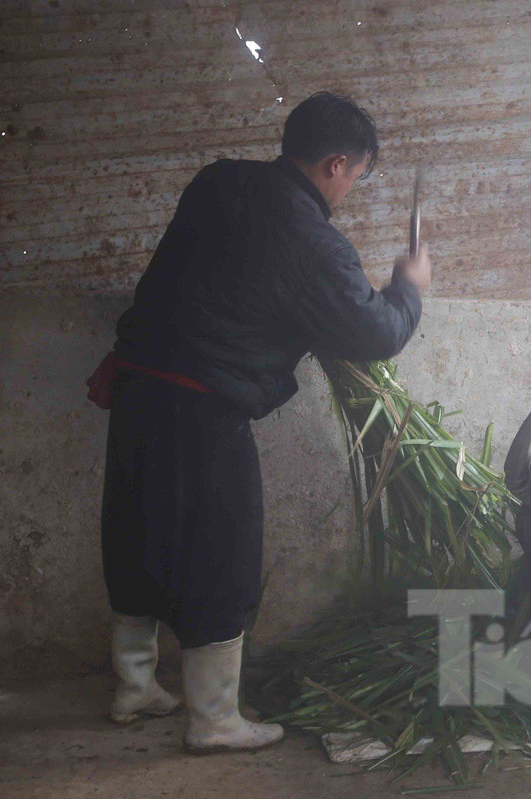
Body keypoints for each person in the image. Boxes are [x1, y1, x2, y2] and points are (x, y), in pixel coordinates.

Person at [89, 92, 431, 753]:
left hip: (136, 388)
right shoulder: (311, 239)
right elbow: (374, 331)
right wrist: (408, 285)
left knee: (137, 535)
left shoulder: (218, 181)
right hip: (203, 408)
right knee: (220, 554)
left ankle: (134, 685)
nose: (351, 190)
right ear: (336, 163)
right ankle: (214, 719)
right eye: (356, 175)